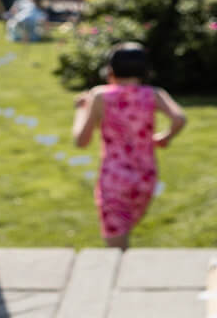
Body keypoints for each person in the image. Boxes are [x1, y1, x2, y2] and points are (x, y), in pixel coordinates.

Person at [71, 42, 187, 249]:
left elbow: (81, 141)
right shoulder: (153, 94)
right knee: (127, 228)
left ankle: (121, 269)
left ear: (111, 70)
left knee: (117, 243)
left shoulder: (100, 96)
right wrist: (164, 137)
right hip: (145, 176)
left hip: (114, 178)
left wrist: (81, 109)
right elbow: (179, 118)